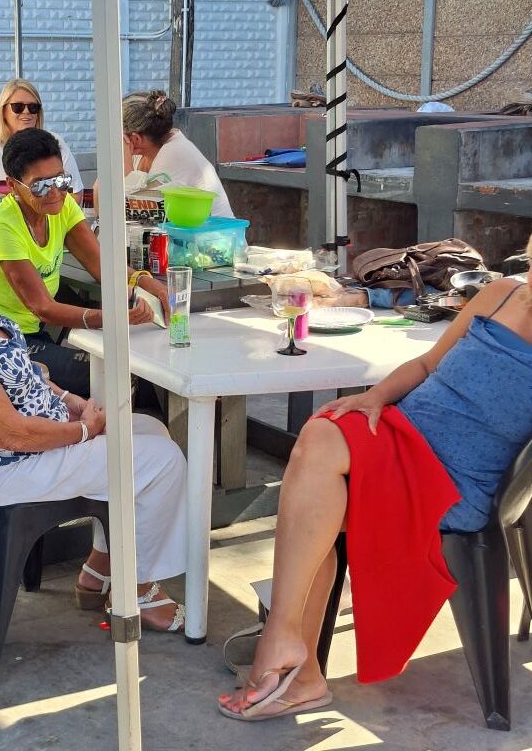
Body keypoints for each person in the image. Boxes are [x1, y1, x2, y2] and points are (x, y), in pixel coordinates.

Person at [219, 250, 532, 721]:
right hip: (403, 433)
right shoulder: (501, 292)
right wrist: (374, 397)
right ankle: (290, 653)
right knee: (322, 438)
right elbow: (428, 365)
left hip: (454, 481)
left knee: (317, 478)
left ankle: (289, 660)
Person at [0, 191, 187, 631]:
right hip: (6, 465)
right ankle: (136, 590)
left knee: (151, 430)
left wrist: (66, 399)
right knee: (163, 462)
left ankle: (99, 567)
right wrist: (82, 431)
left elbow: (20, 373)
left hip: (23, 440)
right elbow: (10, 435)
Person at [0, 128, 170, 397]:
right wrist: (115, 319)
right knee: (116, 378)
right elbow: (42, 307)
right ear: (12, 186)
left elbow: (103, 267)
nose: (55, 192)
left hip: (32, 334)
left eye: (61, 180)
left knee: (149, 375)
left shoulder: (61, 206)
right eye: (41, 185)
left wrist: (148, 282)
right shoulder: (1, 225)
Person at [93, 90, 234, 218]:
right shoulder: (143, 150)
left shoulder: (173, 154)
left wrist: (123, 164)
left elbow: (124, 214)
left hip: (214, 242)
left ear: (136, 138)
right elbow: (103, 209)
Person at [0, 78, 84, 204]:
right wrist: (10, 189)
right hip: (3, 217)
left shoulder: (53, 141)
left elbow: (75, 191)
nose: (26, 112)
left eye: (33, 107)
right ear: (3, 111)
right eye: (18, 107)